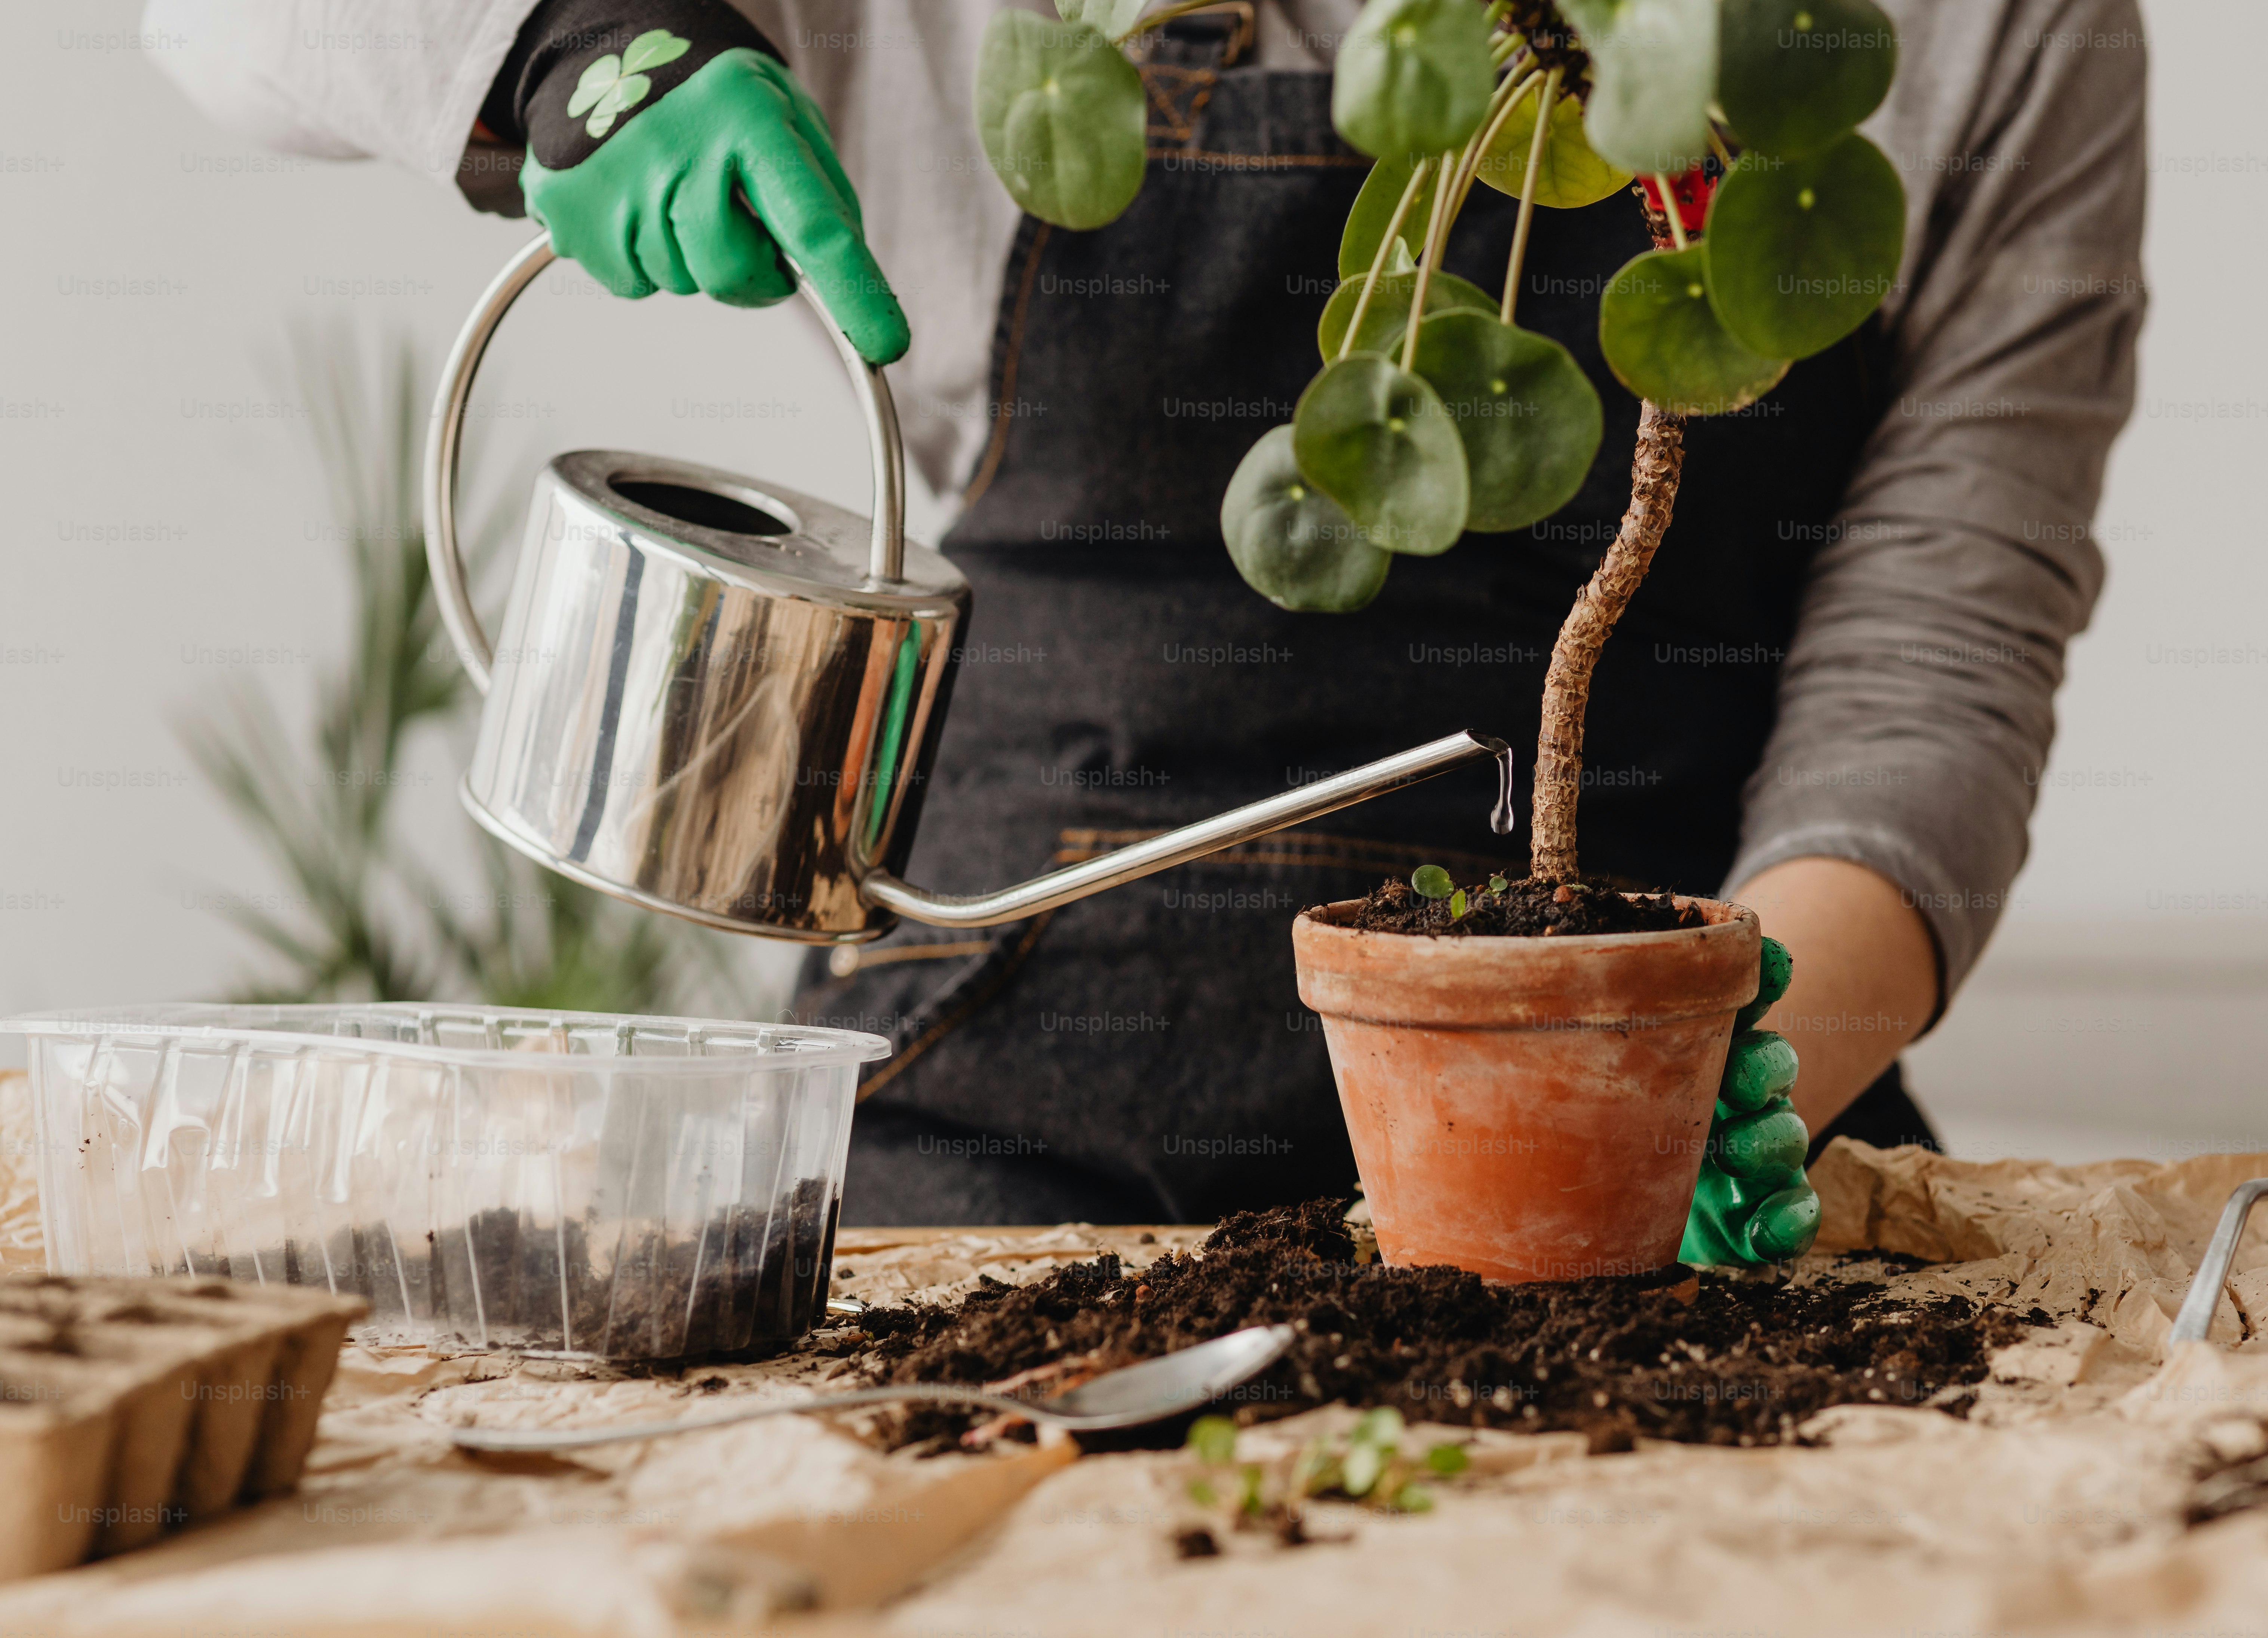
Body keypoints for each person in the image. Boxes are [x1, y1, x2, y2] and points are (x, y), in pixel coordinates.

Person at [146, 0, 2146, 1244]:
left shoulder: (1988, 32)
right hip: (991, 1120)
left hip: (1645, 1133)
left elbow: (1939, 649)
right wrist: (581, 44)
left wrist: (1735, 1067)